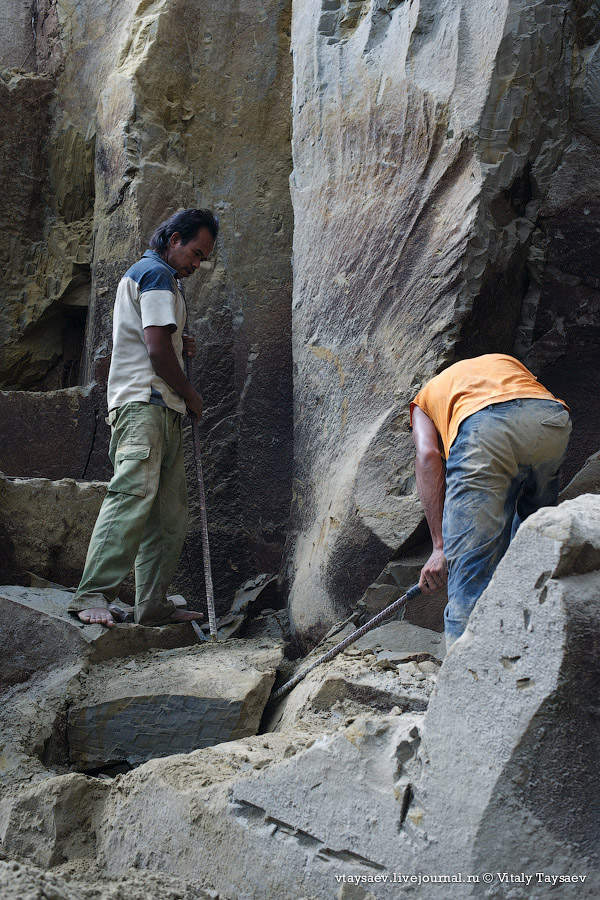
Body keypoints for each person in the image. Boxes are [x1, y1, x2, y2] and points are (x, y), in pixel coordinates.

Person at [68, 208, 219, 628]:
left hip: (163, 410)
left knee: (169, 514)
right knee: (132, 496)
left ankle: (151, 603)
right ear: (173, 239)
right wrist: (190, 393)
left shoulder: (161, 279)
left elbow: (157, 336)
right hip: (144, 405)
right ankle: (92, 593)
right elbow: (155, 350)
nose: (196, 263)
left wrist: (178, 340)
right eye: (195, 252)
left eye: (203, 258)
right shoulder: (155, 274)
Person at [410, 353, 571, 648]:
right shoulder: (503, 361)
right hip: (550, 420)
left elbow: (428, 455)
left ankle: (465, 683)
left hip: (483, 428)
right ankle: (531, 650)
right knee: (533, 546)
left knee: (468, 577)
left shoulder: (423, 401)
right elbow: (520, 409)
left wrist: (439, 547)